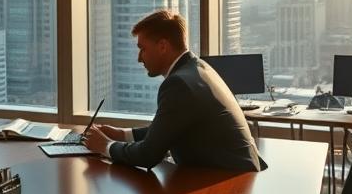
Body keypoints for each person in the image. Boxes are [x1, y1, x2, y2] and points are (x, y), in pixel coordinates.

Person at [83, 9, 266, 172]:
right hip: (236, 176)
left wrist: (106, 146)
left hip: (224, 182)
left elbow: (147, 156)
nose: (139, 58)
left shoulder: (179, 84)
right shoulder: (198, 68)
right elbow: (168, 129)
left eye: (143, 49)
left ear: (163, 46)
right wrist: (123, 134)